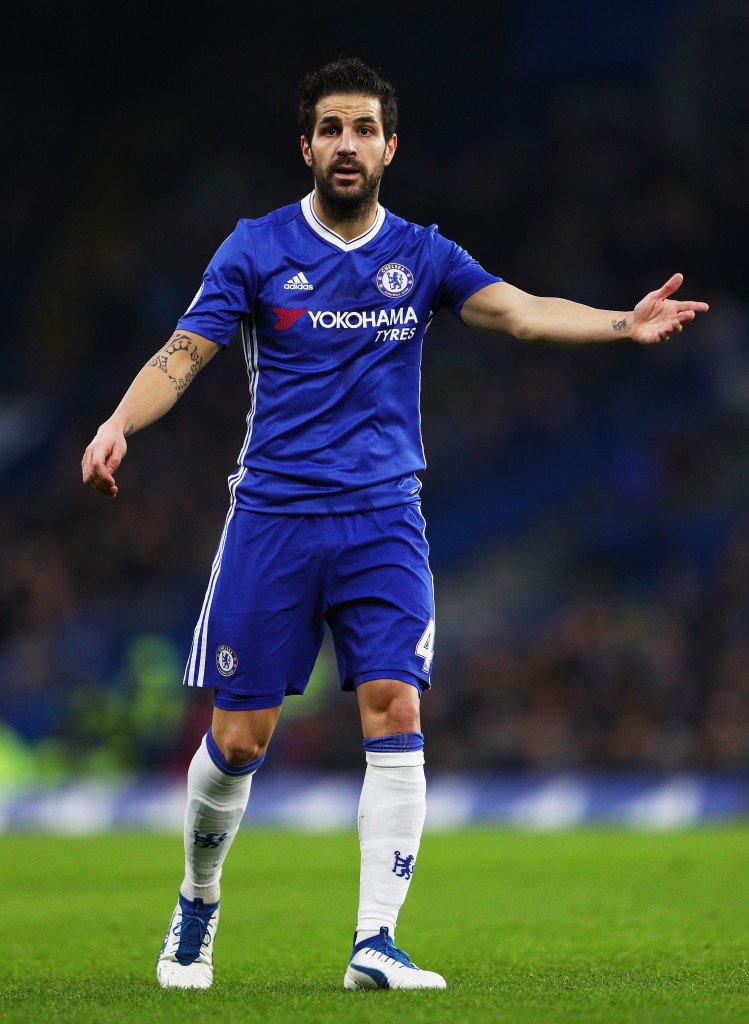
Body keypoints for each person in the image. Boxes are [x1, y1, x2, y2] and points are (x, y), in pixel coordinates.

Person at [82, 56, 709, 991]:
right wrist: (116, 424)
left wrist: (624, 322)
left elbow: (523, 312)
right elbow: (183, 354)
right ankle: (198, 906)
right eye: (331, 129)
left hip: (384, 522)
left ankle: (374, 941)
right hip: (274, 520)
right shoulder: (253, 249)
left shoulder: (421, 254)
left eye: (364, 129)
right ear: (306, 146)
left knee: (398, 710)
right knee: (241, 738)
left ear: (390, 147)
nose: (347, 144)